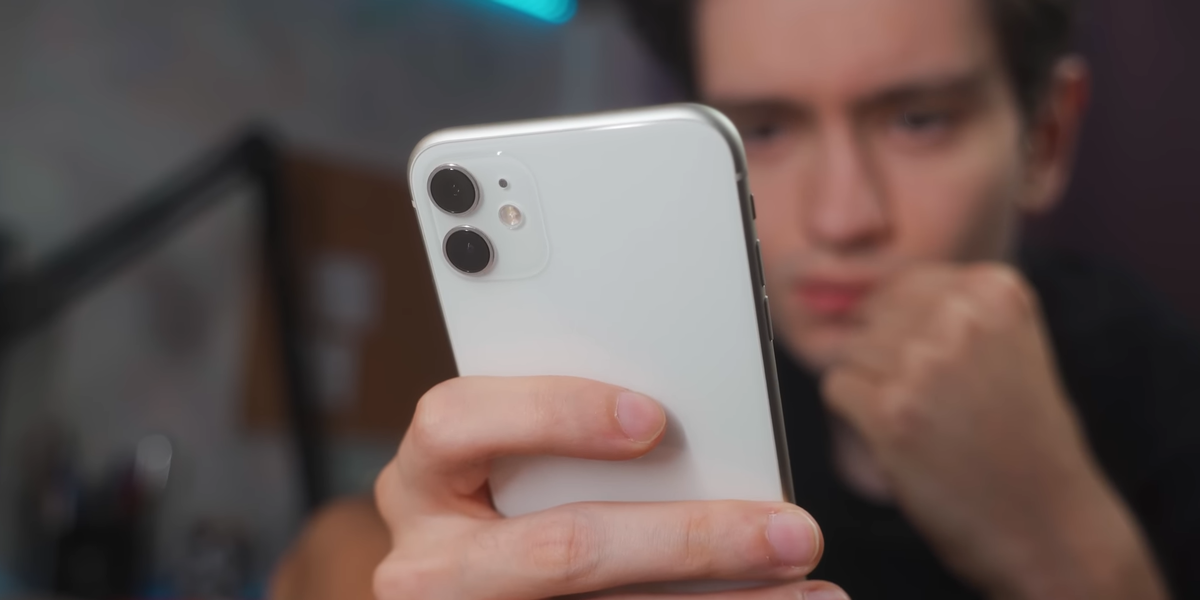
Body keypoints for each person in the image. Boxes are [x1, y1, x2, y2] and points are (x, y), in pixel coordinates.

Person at [272, 0, 1200, 598]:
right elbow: (332, 547)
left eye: (919, 120)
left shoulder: (1158, 379)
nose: (842, 218)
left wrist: (1073, 555)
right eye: (761, 129)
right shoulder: (643, 352)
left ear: (1045, 138)